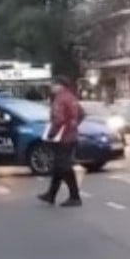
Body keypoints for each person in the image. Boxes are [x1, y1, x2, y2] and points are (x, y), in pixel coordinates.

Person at [38, 76, 84, 207]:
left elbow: (58, 119)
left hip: (62, 137)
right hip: (72, 136)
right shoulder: (72, 97)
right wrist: (74, 124)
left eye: (53, 85)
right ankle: (51, 195)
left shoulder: (59, 98)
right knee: (59, 166)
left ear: (60, 85)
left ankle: (75, 197)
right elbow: (82, 113)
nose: (52, 87)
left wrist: (52, 133)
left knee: (64, 166)